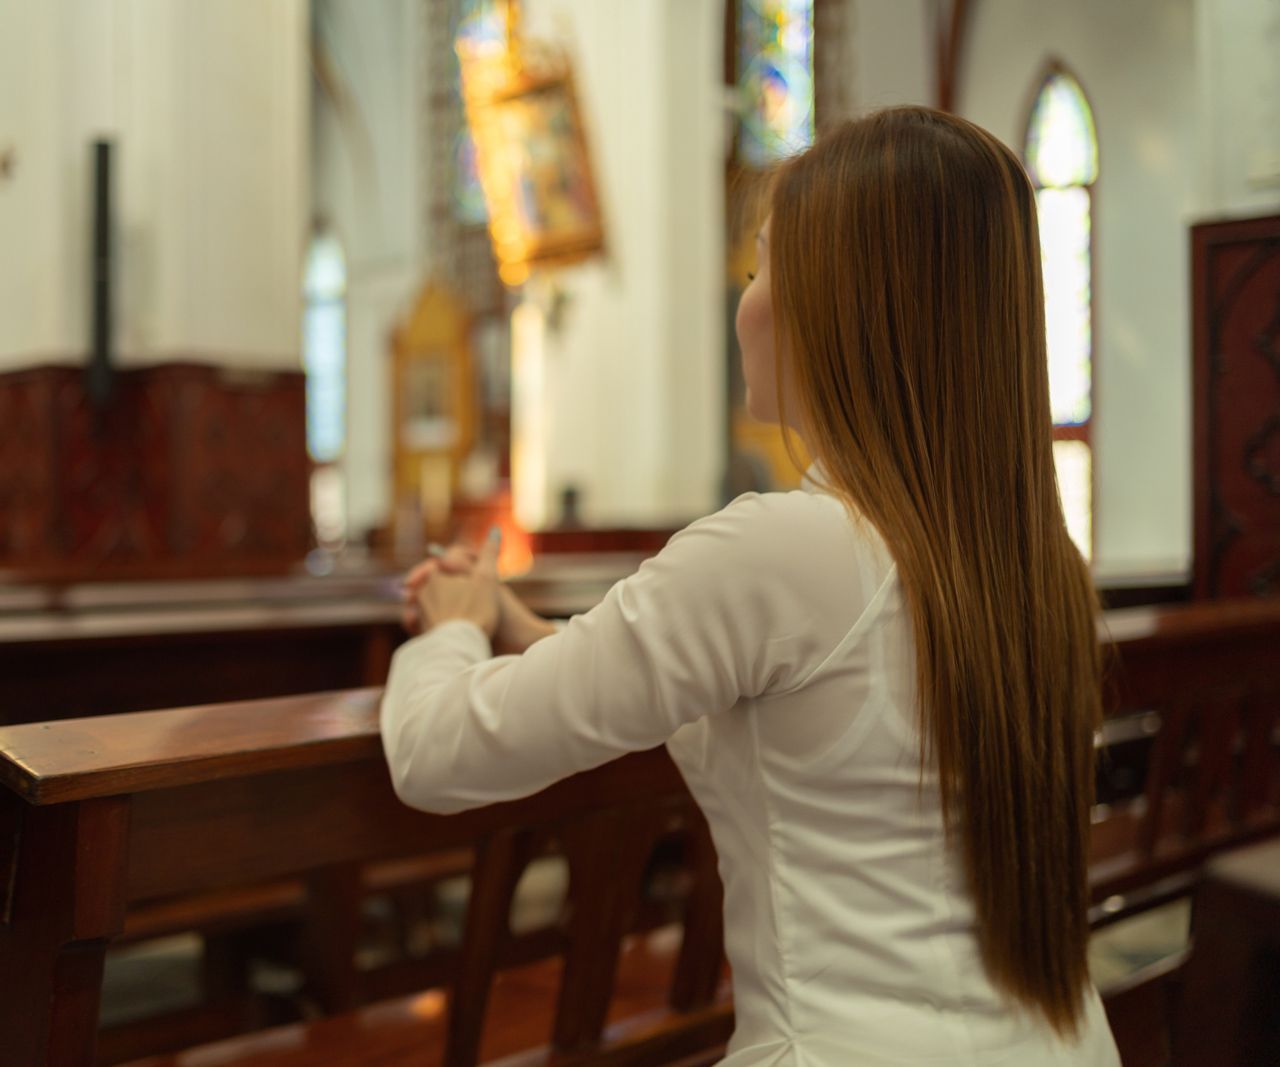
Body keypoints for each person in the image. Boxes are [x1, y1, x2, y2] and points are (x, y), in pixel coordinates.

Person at [382, 106, 1122, 1066]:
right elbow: (761, 708)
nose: (749, 295)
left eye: (765, 264)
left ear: (844, 305)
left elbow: (437, 754)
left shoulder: (783, 547)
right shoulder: (1035, 562)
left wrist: (445, 629)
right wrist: (512, 618)